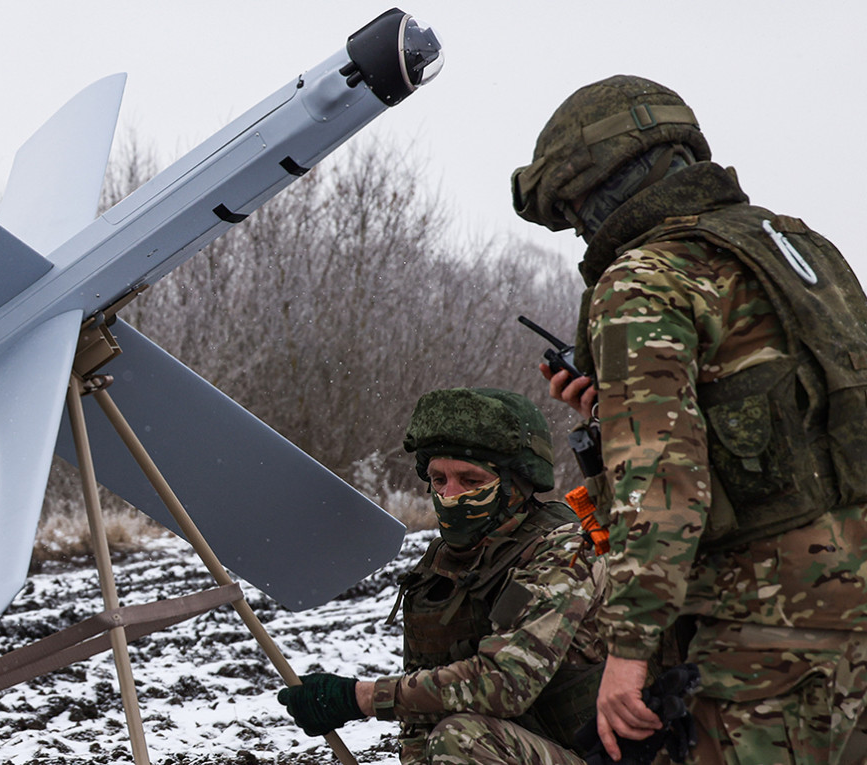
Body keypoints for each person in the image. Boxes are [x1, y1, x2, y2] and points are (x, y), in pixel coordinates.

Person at [513, 74, 867, 764]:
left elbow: (663, 491)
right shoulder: (799, 248)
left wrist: (628, 655)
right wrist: (610, 411)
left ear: (606, 183)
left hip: (763, 642)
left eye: (577, 207)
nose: (582, 226)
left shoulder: (641, 278)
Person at [277, 387, 607, 764]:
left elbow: (506, 682)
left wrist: (362, 697)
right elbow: (424, 715)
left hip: (603, 756)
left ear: (516, 485)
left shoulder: (569, 550)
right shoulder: (443, 568)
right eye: (439, 480)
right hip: (521, 749)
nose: (451, 496)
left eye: (471, 481)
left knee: (462, 739)